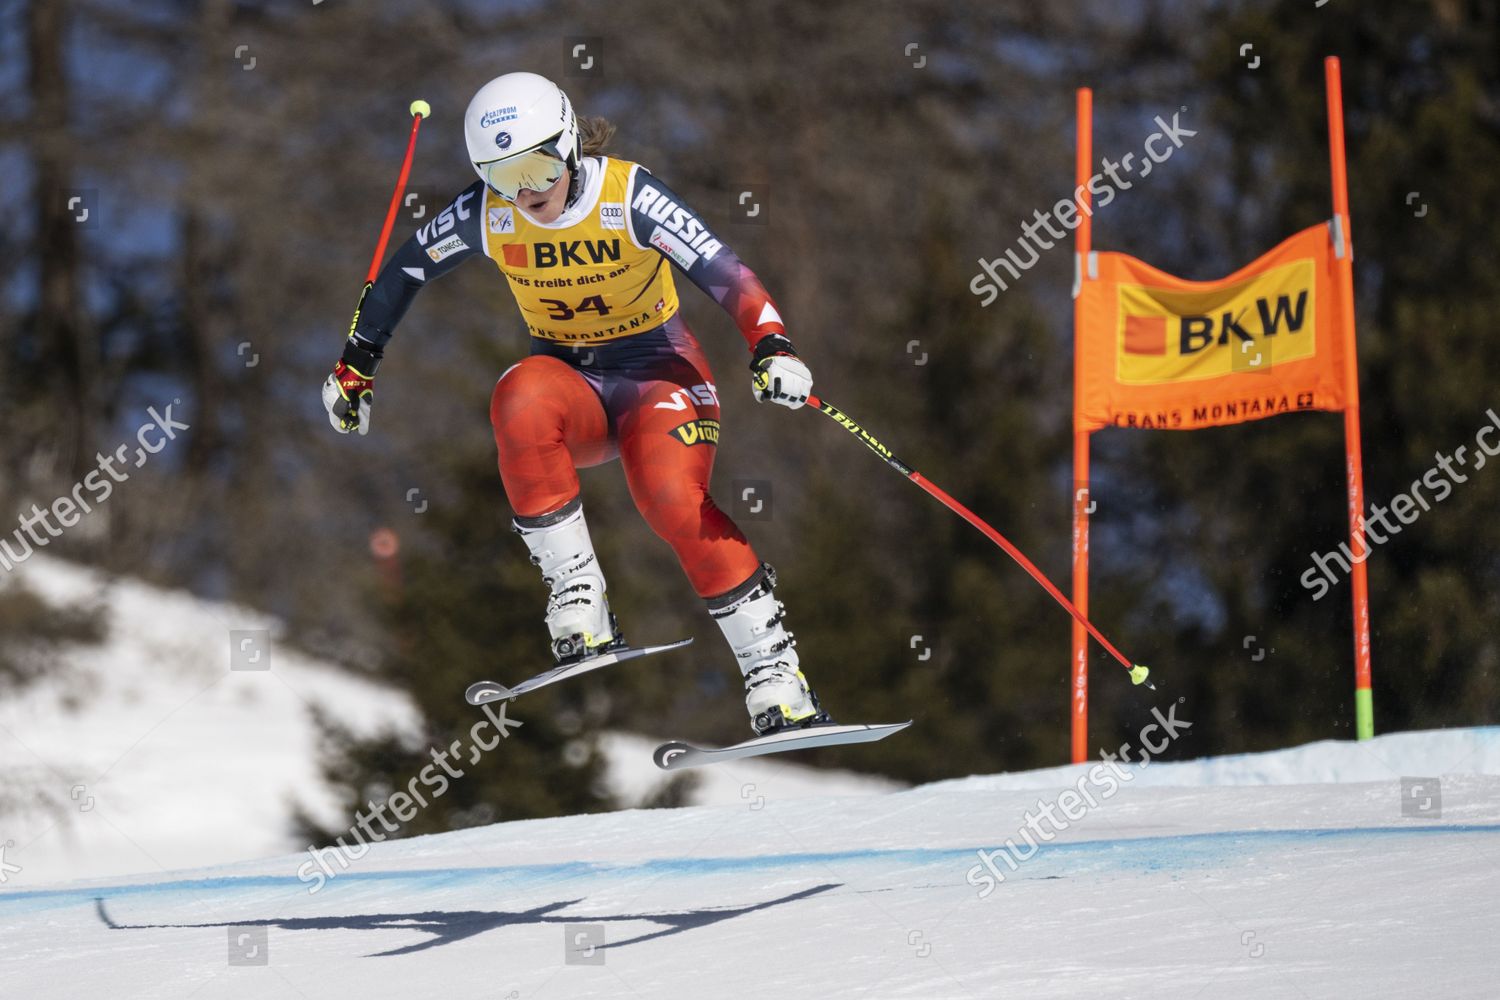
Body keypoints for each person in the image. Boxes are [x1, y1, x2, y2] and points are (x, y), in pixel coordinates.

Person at [322, 71, 828, 737]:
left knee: (672, 503)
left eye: (536, 164)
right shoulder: (486, 212)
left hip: (660, 379)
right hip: (575, 391)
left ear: (567, 146)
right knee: (520, 393)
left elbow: (723, 271)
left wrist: (772, 345)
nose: (526, 190)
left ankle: (777, 676)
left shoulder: (627, 195)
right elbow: (404, 272)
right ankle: (578, 597)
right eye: (502, 175)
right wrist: (358, 362)